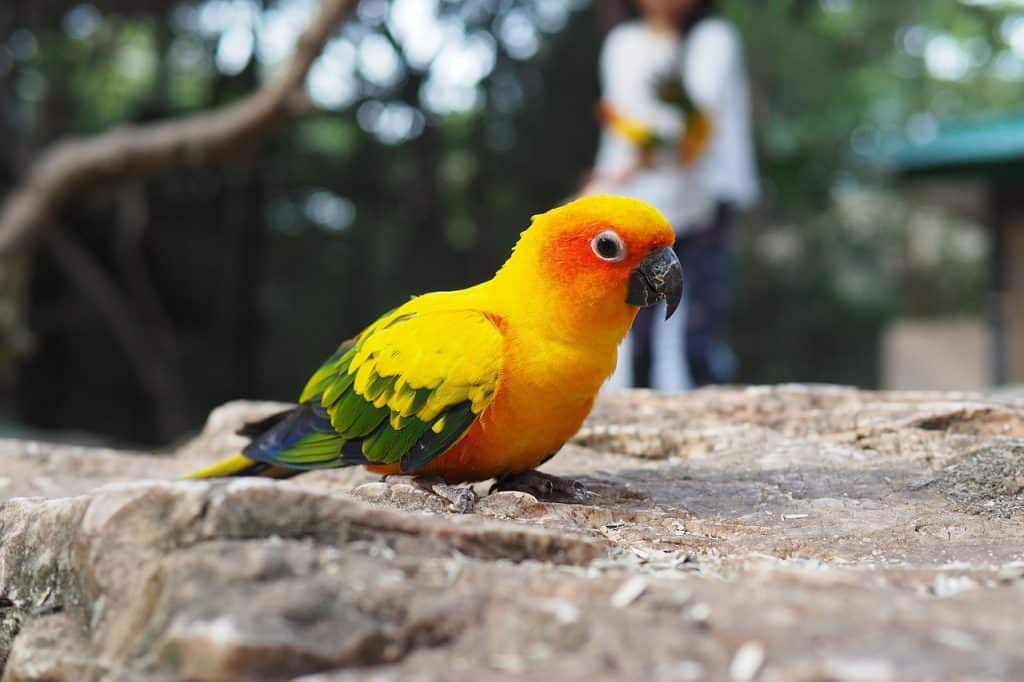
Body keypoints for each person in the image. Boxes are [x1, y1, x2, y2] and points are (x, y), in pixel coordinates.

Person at [585, 0, 759, 389]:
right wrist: (604, 186)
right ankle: (644, 416)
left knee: (700, 328)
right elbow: (619, 130)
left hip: (707, 201)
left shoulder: (713, 40)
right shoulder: (622, 44)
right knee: (640, 328)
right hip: (646, 204)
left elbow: (695, 122)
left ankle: (713, 410)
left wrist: (644, 155)